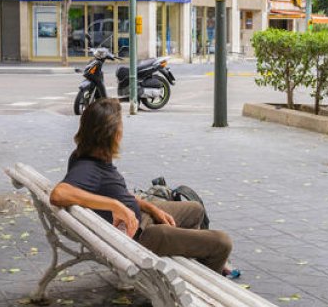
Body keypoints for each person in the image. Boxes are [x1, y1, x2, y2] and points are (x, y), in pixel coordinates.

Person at [49, 98, 235, 276]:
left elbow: (117, 193)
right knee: (222, 242)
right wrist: (116, 205)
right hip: (139, 240)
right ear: (111, 134)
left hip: (138, 221)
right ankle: (197, 285)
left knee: (195, 209)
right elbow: (59, 193)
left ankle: (191, 263)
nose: (122, 131)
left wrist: (150, 207)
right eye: (120, 126)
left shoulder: (89, 154)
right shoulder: (87, 167)